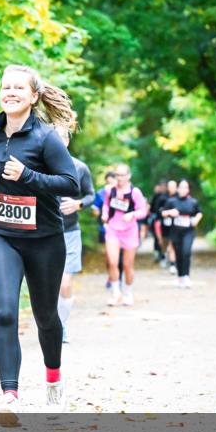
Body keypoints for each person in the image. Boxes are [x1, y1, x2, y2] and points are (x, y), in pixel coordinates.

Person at [0, 64, 80, 411]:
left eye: (18, 88)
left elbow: (70, 184)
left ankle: (54, 379)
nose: (10, 92)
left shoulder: (45, 138)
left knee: (45, 316)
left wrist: (28, 175)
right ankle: (9, 396)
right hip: (2, 235)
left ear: (33, 96)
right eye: (6, 87)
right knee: (4, 312)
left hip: (44, 238)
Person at [55, 127, 95, 344]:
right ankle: (52, 324)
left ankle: (61, 326)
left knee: (65, 283)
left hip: (70, 232)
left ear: (67, 142)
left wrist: (78, 203)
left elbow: (91, 195)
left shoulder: (79, 167)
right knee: (48, 286)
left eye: (61, 139)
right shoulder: (40, 166)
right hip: (45, 234)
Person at [101, 164, 148, 306]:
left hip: (130, 231)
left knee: (128, 265)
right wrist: (104, 215)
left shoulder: (135, 192)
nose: (119, 178)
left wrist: (132, 214)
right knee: (112, 262)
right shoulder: (110, 191)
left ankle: (128, 293)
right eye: (117, 175)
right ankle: (116, 293)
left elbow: (143, 211)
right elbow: (106, 205)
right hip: (113, 229)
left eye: (122, 175)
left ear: (128, 176)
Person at [161, 179, 203, 288]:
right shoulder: (172, 201)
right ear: (178, 189)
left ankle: (186, 276)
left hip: (188, 231)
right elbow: (163, 213)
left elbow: (199, 212)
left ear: (188, 189)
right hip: (175, 231)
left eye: (186, 187)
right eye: (181, 187)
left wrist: (196, 219)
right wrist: (170, 212)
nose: (183, 189)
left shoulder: (193, 202)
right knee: (179, 254)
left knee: (186, 252)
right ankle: (180, 276)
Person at [92, 171, 123, 289]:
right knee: (110, 256)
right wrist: (99, 213)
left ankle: (118, 278)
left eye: (113, 182)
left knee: (120, 254)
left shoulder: (121, 193)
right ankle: (112, 276)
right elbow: (95, 209)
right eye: (108, 182)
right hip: (105, 228)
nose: (110, 184)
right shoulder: (101, 193)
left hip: (121, 228)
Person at [160, 179, 179, 275]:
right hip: (165, 224)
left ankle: (173, 264)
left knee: (173, 244)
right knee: (165, 242)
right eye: (170, 186)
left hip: (177, 225)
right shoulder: (163, 198)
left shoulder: (180, 197)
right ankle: (164, 256)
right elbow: (158, 210)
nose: (172, 188)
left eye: (174, 186)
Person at [149, 180, 169, 266]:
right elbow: (152, 208)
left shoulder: (170, 196)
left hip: (168, 221)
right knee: (158, 238)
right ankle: (159, 254)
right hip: (157, 220)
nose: (163, 188)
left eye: (165, 186)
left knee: (167, 239)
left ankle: (166, 255)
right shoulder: (156, 196)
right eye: (162, 186)